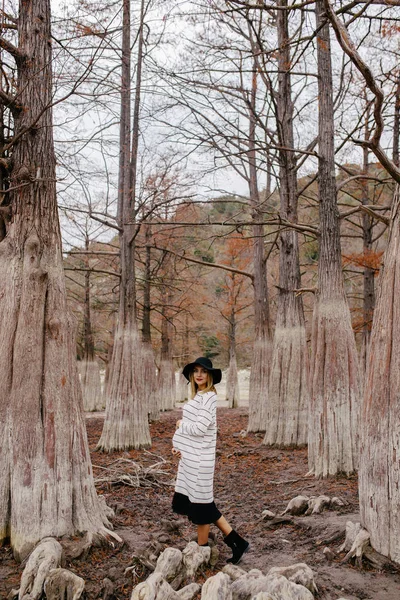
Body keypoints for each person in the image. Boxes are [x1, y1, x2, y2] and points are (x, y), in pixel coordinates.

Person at [171, 356, 249, 564]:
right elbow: (193, 432)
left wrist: (180, 425)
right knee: (206, 505)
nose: (199, 374)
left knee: (201, 507)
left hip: (201, 462)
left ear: (210, 376)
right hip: (191, 459)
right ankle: (237, 542)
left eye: (204, 371)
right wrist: (180, 449)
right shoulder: (198, 397)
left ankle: (202, 550)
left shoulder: (209, 398)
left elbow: (199, 429)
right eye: (196, 371)